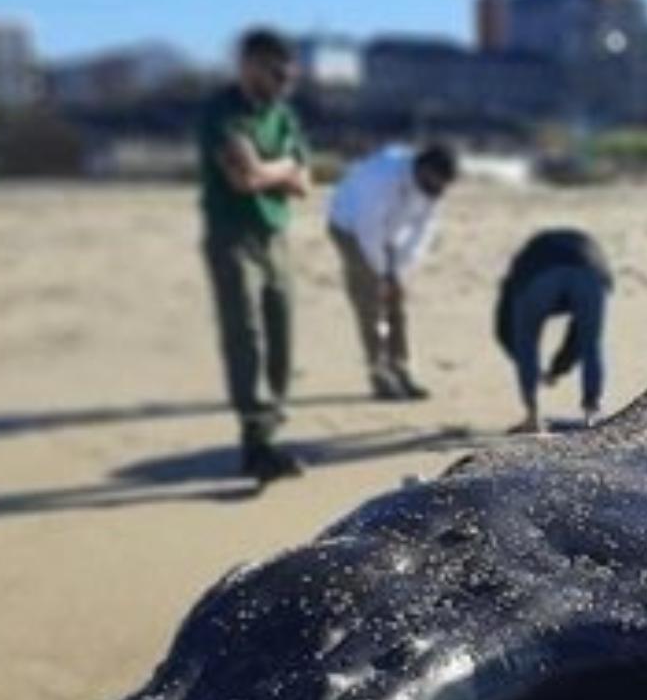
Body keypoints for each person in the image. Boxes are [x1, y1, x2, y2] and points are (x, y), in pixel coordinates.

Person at [196, 28, 311, 483]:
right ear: (248, 65)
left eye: (289, 73)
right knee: (245, 335)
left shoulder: (282, 114)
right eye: (276, 71)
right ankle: (256, 442)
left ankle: (272, 427)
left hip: (275, 235)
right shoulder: (222, 112)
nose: (284, 81)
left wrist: (271, 169)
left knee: (282, 332)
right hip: (231, 235)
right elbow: (243, 179)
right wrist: (281, 168)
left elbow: (305, 182)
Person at [326, 143, 459, 401]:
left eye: (444, 185)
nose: (439, 190)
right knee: (371, 300)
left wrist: (397, 273)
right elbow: (368, 230)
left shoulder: (433, 188)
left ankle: (402, 369)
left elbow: (421, 234)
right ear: (421, 168)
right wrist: (381, 276)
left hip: (388, 232)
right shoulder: (383, 178)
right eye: (436, 181)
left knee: (397, 301)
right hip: (350, 226)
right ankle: (379, 375)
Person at [494, 229, 614, 435]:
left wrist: (530, 364)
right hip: (591, 272)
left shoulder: (516, 276)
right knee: (591, 345)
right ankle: (591, 415)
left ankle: (532, 417)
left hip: (538, 275)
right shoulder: (589, 250)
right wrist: (559, 367)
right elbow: (578, 336)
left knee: (527, 342)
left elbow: (505, 328)